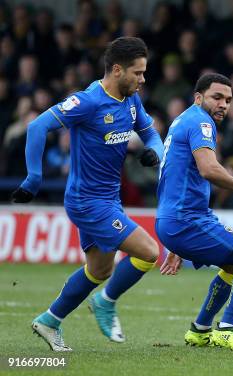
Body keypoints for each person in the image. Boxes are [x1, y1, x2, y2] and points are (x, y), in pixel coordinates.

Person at [14, 37, 164, 351]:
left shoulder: (130, 99)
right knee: (149, 252)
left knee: (101, 269)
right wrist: (34, 176)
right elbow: (37, 127)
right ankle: (106, 302)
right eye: (137, 73)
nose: (142, 79)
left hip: (109, 199)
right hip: (87, 201)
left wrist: (155, 152)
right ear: (118, 70)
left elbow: (150, 134)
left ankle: (49, 321)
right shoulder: (87, 102)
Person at [155, 73, 233, 352]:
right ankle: (227, 330)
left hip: (178, 218)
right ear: (198, 98)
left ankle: (200, 330)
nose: (224, 104)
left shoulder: (182, 121)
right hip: (185, 218)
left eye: (228, 100)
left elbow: (174, 176)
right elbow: (208, 169)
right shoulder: (201, 122)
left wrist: (174, 241)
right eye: (217, 97)